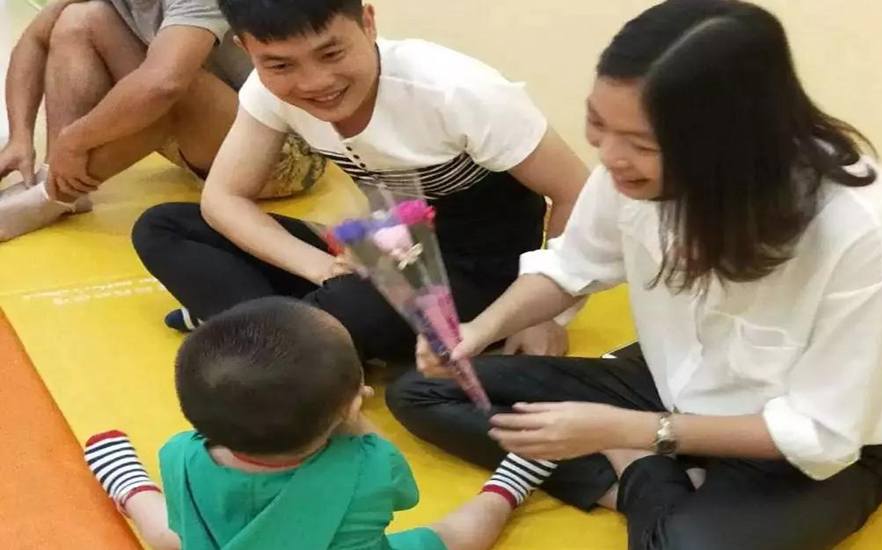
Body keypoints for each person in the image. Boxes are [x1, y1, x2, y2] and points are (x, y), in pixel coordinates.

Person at [386, 1, 882, 549]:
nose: (610, 157)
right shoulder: (628, 168)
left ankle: (635, 469)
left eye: (642, 145)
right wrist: (477, 332)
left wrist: (626, 433)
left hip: (805, 444)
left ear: (732, 144)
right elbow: (572, 266)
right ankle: (653, 482)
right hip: (667, 381)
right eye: (598, 125)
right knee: (424, 391)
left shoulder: (862, 226)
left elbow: (823, 432)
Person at [130, 0, 588, 360]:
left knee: (347, 313)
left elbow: (577, 195)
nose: (315, 82)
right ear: (246, 49)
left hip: (478, 270)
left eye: (331, 53)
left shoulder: (456, 91)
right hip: (380, 249)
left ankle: (251, 325)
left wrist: (545, 316)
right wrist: (322, 268)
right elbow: (224, 198)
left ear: (367, 23)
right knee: (163, 227)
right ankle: (275, 333)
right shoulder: (268, 91)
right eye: (280, 64)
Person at [83, 297, 556, 550]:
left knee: (172, 535)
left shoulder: (178, 452)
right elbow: (406, 494)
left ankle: (127, 484)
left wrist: (344, 410)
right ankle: (508, 485)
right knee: (454, 537)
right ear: (353, 405)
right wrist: (354, 420)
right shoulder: (369, 469)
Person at [0, 0, 325, 242]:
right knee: (78, 19)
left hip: (277, 154)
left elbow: (164, 85)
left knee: (169, 82)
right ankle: (59, 180)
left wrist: (73, 142)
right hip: (202, 139)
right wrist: (19, 136)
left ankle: (53, 195)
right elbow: (35, 40)